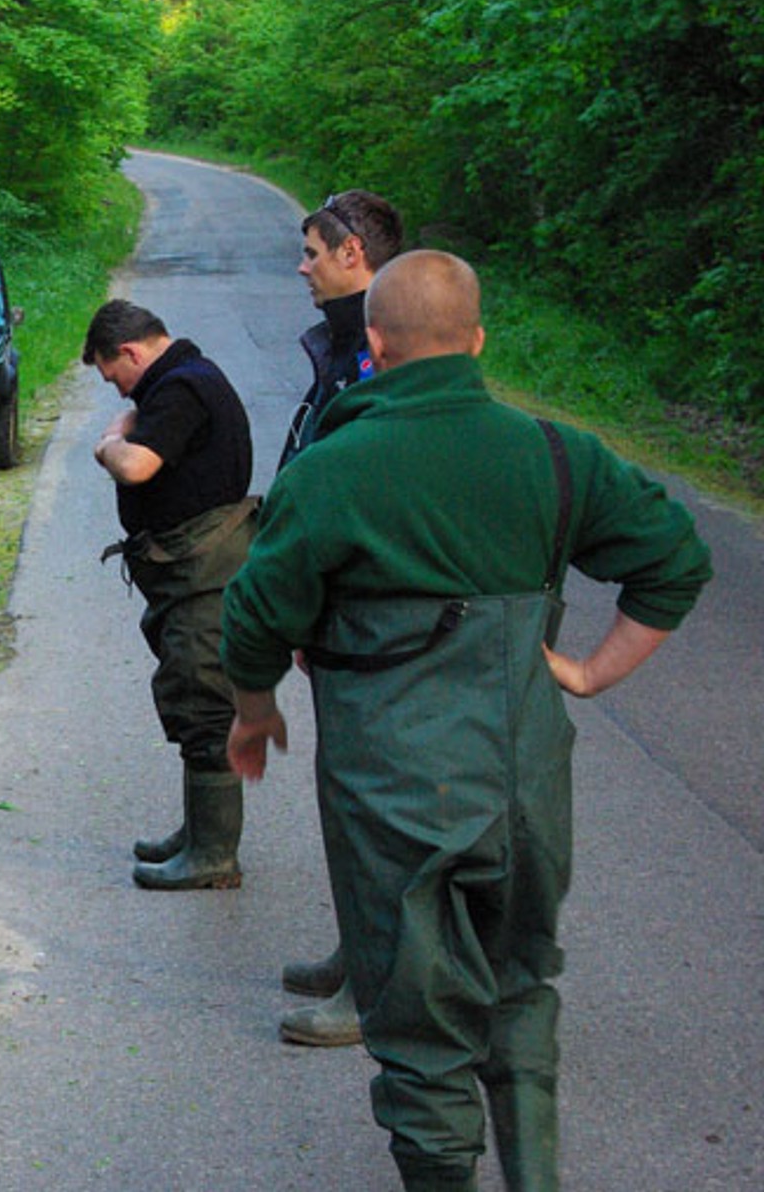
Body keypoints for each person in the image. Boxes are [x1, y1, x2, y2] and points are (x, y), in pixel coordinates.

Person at [221, 250, 711, 1192]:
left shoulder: (333, 469)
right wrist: (592, 671)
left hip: (392, 792)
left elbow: (253, 618)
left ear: (373, 346)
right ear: (478, 341)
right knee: (521, 983)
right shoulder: (561, 455)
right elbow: (676, 562)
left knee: (416, 1019)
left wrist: (254, 714)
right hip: (526, 784)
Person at [273, 187, 404, 1048]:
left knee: (374, 804)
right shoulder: (348, 337)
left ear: (354, 252)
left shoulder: (383, 343)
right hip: (343, 608)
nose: (303, 264)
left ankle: (379, 985)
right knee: (345, 795)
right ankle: (362, 950)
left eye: (314, 250)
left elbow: (370, 485)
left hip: (376, 612)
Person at [83, 300, 257, 890]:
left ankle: (214, 854)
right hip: (193, 570)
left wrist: (108, 441)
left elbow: (134, 466)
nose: (118, 391)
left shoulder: (183, 388)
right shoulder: (187, 381)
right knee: (191, 693)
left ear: (130, 352)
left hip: (206, 572)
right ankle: (199, 831)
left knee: (204, 701)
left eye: (114, 376)